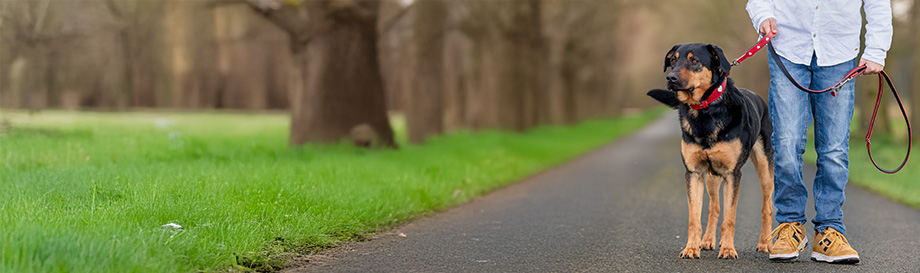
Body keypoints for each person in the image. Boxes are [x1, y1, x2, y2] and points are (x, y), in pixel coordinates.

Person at [746, 0, 892, 264]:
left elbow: (878, 3)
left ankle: (830, 231)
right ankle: (790, 225)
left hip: (840, 52)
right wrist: (763, 16)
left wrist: (877, 50)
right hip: (787, 48)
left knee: (834, 149)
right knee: (787, 143)